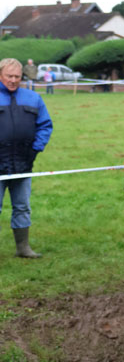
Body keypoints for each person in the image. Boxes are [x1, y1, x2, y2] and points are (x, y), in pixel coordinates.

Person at [0, 58, 53, 258]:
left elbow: (45, 125)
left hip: (23, 163)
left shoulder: (33, 98)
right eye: (9, 76)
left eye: (17, 76)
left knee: (22, 206)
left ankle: (23, 248)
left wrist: (35, 149)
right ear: (0, 75)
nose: (13, 80)